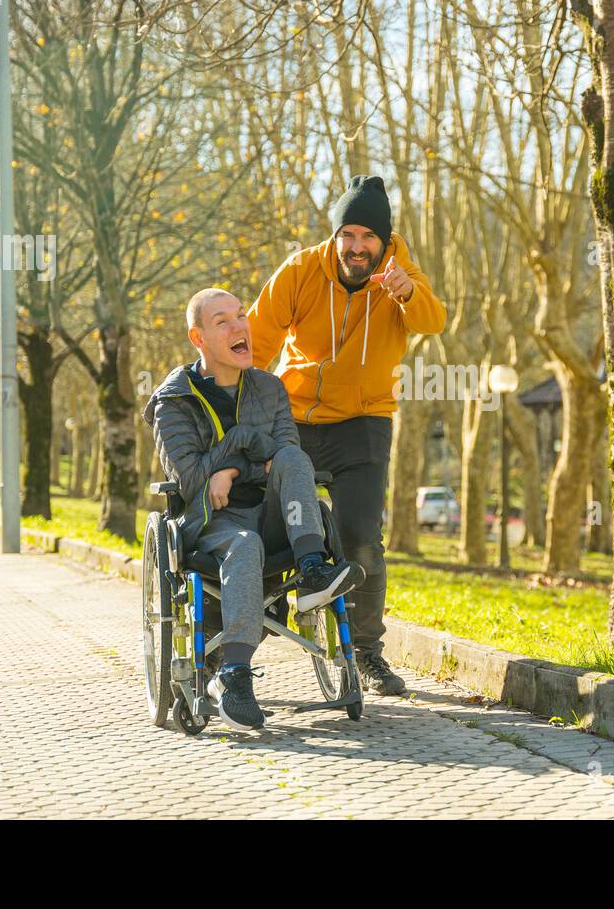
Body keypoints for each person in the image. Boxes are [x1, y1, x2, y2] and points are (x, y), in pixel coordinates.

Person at [249, 175, 447, 695]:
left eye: (368, 238)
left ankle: (366, 653)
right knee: (270, 517)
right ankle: (268, 601)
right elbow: (258, 338)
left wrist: (408, 293)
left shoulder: (399, 272)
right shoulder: (301, 269)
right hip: (291, 416)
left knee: (362, 539)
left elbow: (434, 319)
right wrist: (238, 403)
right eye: (348, 235)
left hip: (363, 421)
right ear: (335, 236)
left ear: (384, 241)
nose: (357, 247)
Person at [144, 288, 365, 731]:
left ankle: (313, 569)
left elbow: (284, 452)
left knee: (294, 461)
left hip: (272, 516)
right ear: (198, 337)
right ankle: (235, 678)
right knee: (244, 545)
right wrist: (242, 450)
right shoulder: (172, 403)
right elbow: (191, 482)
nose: (239, 326)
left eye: (241, 316)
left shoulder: (270, 388)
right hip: (212, 525)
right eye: (222, 320)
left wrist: (226, 468)